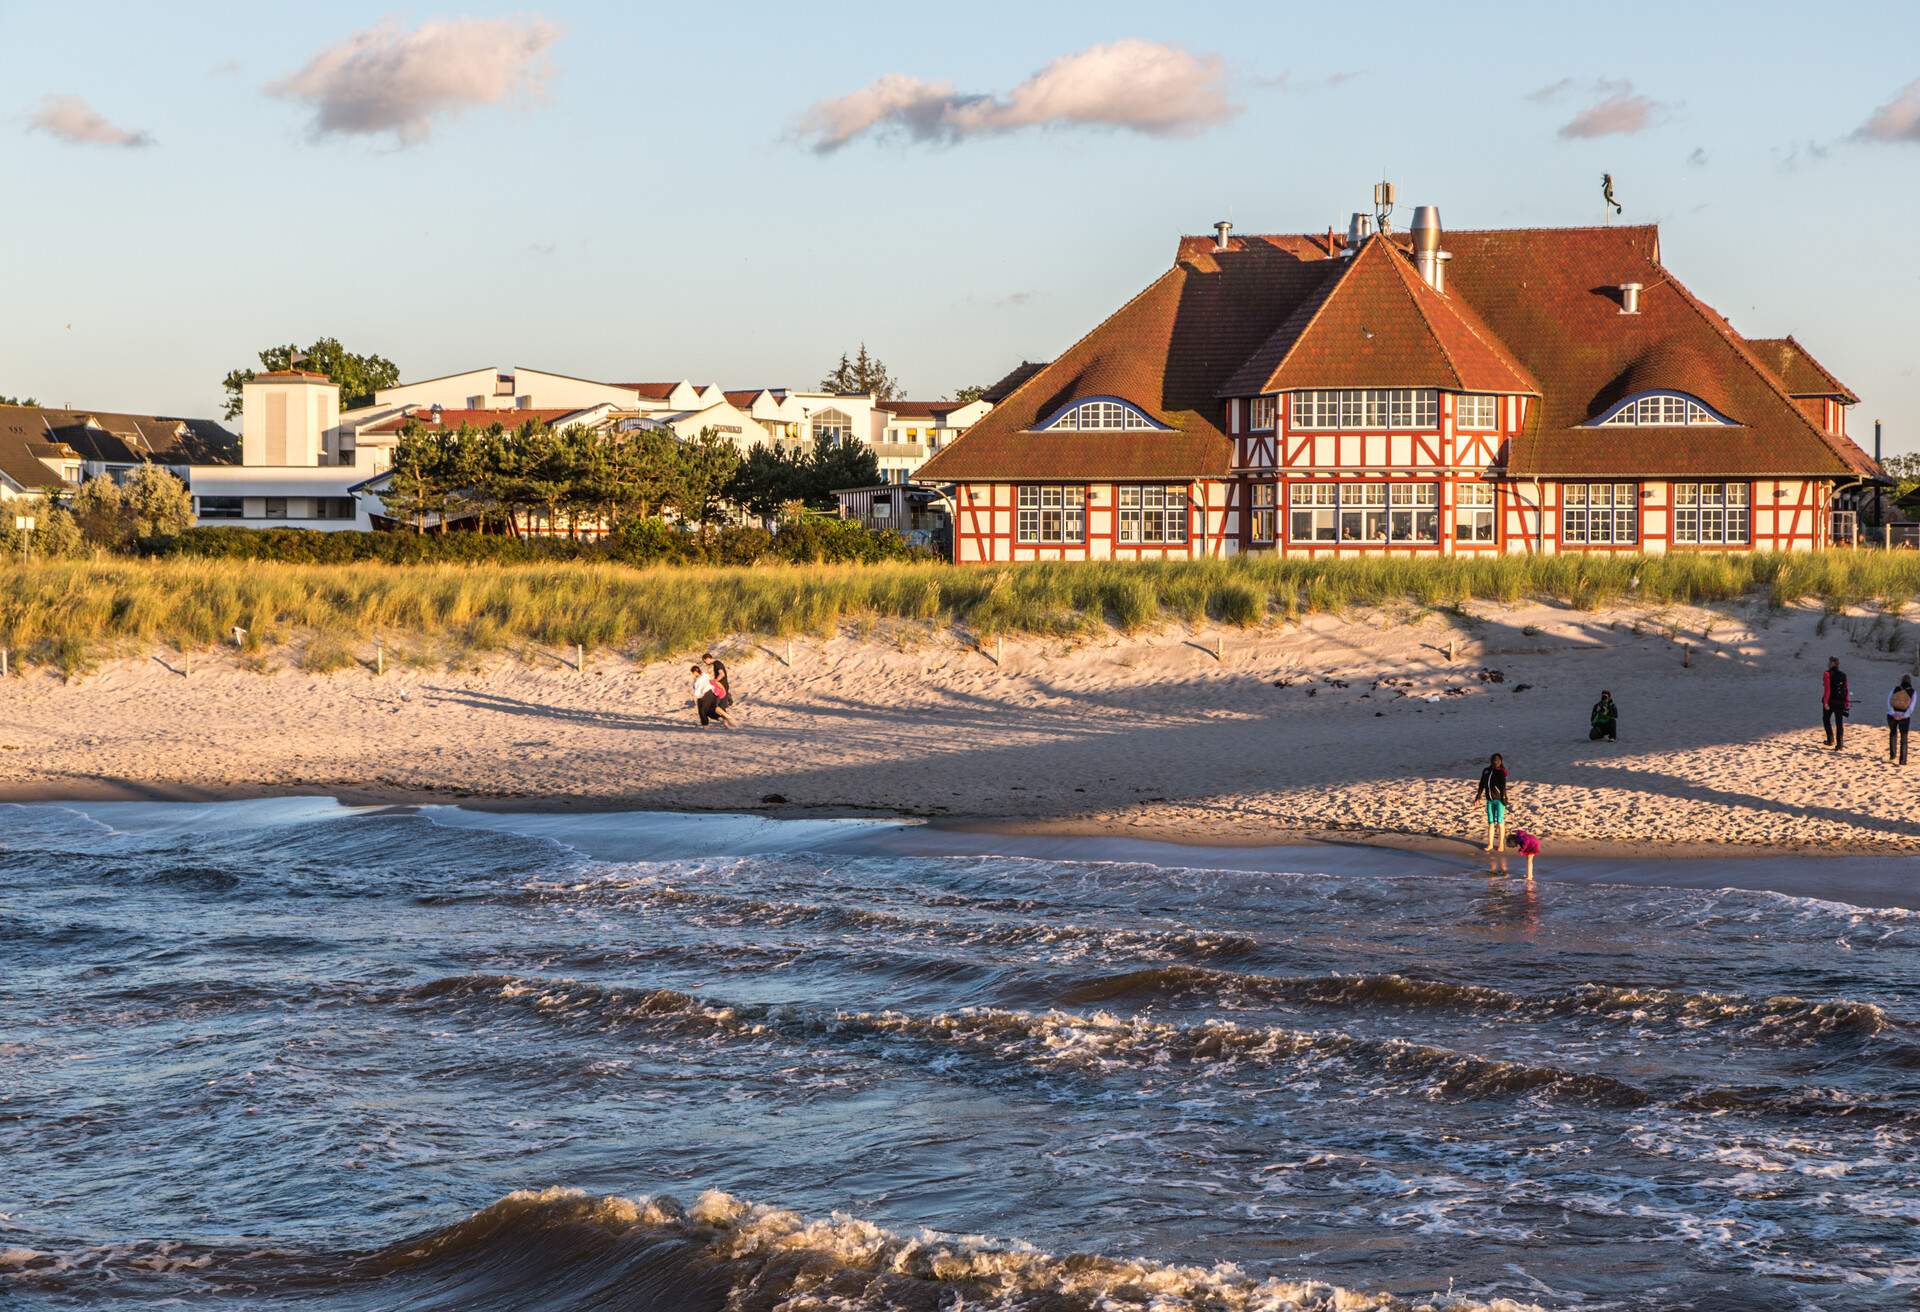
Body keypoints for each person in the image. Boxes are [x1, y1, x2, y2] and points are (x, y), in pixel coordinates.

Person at [1473, 753, 1510, 853]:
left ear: (1500, 761)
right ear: (1491, 761)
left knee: (1500, 821)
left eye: (1497, 761)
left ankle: (1501, 844)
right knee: (1490, 822)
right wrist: (1478, 797)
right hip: (1489, 800)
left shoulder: (1501, 772)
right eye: (1494, 760)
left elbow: (1503, 787)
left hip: (1499, 801)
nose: (1495, 762)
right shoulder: (1486, 771)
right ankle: (1490, 844)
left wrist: (1504, 798)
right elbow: (1481, 785)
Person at [1823, 657, 1850, 749]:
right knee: (1839, 723)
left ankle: (1830, 739)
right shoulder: (1843, 675)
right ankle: (1840, 744)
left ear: (1833, 663)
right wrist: (1847, 702)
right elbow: (1846, 689)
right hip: (1840, 702)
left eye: (1830, 662)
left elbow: (1827, 690)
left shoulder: (1827, 674)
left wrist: (1826, 703)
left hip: (1830, 701)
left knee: (1826, 719)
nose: (1828, 664)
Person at [705, 653, 735, 728]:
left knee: (718, 706)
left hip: (722, 687)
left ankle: (730, 721)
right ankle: (726, 724)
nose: (705, 663)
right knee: (721, 706)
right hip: (722, 686)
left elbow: (722, 674)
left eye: (705, 661)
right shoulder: (717, 663)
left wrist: (714, 681)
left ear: (707, 659)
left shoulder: (717, 663)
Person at [1889, 675, 1914, 765]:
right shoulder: (1913, 692)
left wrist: (1893, 713)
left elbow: (1889, 702)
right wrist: (1904, 716)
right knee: (1904, 737)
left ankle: (1892, 755)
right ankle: (1902, 760)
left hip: (1892, 715)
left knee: (1893, 733)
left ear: (1901, 681)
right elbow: (1911, 707)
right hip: (1904, 717)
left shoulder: (1895, 689)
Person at [691, 663, 720, 728]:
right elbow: (708, 675)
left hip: (705, 695)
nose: (693, 674)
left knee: (702, 711)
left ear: (695, 672)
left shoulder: (698, 680)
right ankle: (719, 718)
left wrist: (694, 696)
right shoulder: (704, 675)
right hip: (711, 693)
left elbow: (698, 688)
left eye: (693, 672)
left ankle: (705, 725)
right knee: (707, 710)